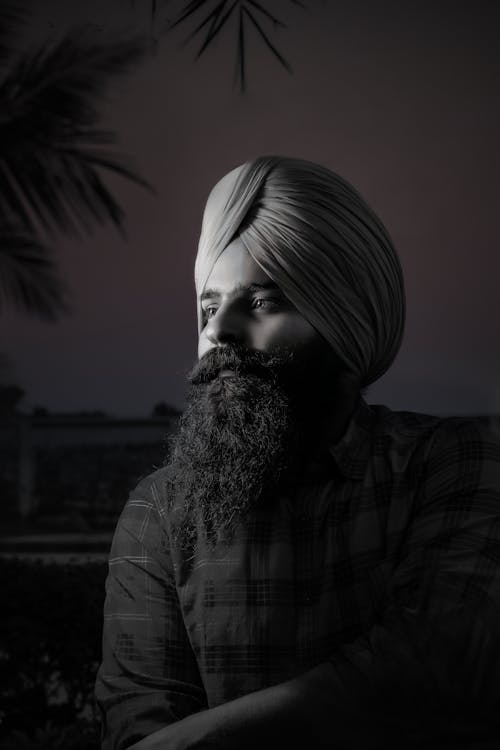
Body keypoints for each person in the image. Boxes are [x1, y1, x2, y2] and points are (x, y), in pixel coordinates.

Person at [95, 156, 500, 750]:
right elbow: (138, 721)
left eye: (262, 302)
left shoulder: (453, 464)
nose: (218, 332)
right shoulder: (157, 513)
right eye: (209, 307)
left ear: (345, 323)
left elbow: (436, 669)